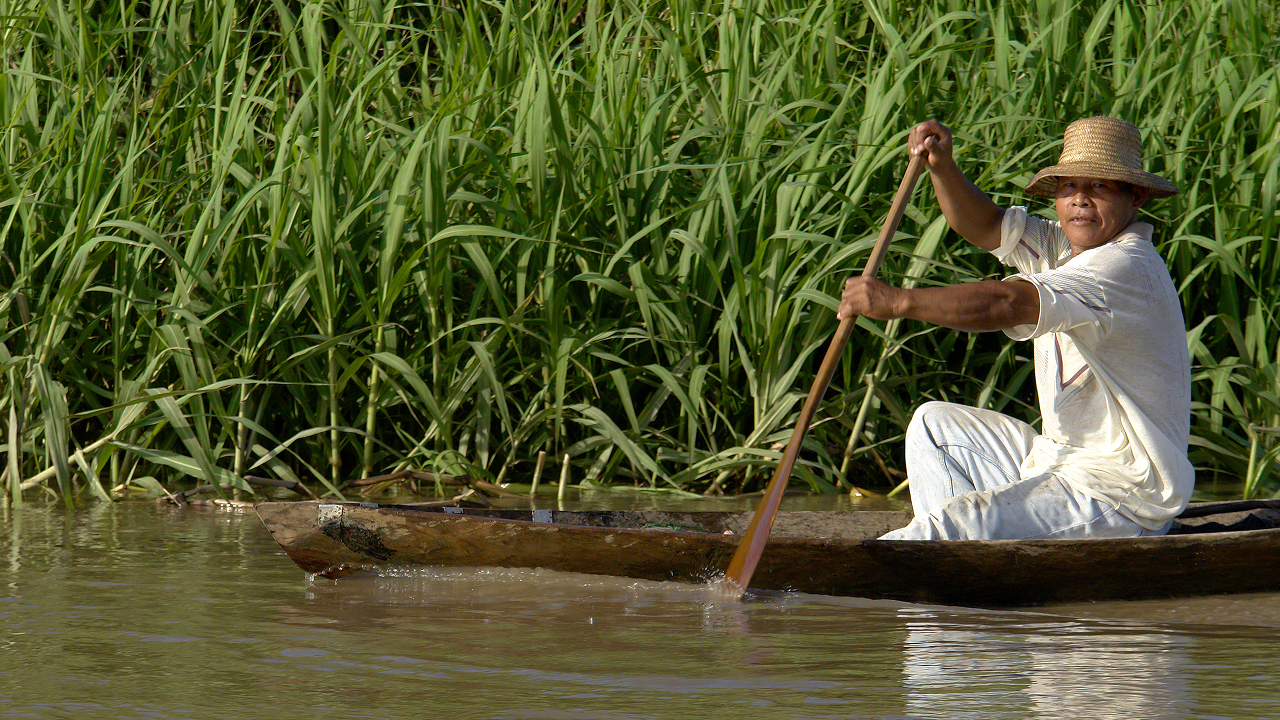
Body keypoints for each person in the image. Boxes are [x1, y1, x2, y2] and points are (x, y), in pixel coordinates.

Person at [838, 116, 1192, 541]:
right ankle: (954, 564)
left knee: (961, 522)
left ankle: (936, 550)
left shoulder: (1124, 265)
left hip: (1120, 494)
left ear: (1135, 197)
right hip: (1058, 462)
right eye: (1069, 188)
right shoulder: (1062, 245)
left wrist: (898, 301)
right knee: (935, 426)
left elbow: (1007, 302)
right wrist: (942, 166)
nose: (1080, 200)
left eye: (1098, 187)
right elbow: (984, 225)